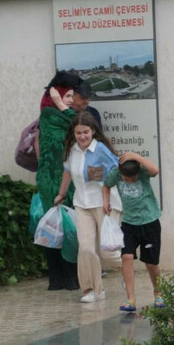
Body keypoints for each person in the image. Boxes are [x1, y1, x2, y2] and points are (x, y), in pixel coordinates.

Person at [54, 111, 121, 303]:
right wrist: (61, 194)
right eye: (78, 133)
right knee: (85, 249)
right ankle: (92, 289)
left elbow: (116, 174)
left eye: (85, 132)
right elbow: (67, 172)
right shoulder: (72, 150)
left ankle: (126, 270)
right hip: (82, 204)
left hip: (104, 204)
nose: (82, 136)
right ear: (73, 134)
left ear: (93, 131)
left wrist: (109, 199)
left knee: (109, 251)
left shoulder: (101, 149)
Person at [102, 152, 164, 312]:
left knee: (151, 263)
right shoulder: (115, 174)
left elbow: (155, 170)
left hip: (149, 222)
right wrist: (106, 202)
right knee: (126, 257)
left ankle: (158, 293)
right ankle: (130, 299)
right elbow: (106, 185)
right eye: (125, 179)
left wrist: (136, 156)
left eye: (132, 179)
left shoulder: (143, 172)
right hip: (129, 223)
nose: (128, 181)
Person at [36, 70, 80, 291]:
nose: (72, 101)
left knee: (68, 228)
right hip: (53, 181)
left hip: (65, 179)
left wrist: (62, 104)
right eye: (68, 95)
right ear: (57, 95)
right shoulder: (49, 115)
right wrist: (59, 104)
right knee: (57, 229)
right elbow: (79, 125)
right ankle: (62, 279)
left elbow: (85, 128)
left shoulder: (58, 114)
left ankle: (70, 277)